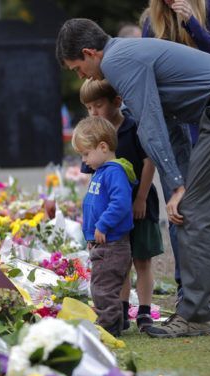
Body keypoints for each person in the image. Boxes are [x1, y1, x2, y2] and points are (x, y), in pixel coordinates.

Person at [56, 19, 210, 338]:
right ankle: (209, 313)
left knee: (194, 210)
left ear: (89, 53)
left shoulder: (116, 60)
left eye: (77, 68)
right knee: (202, 212)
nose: (81, 76)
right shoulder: (128, 52)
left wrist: (180, 186)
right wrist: (180, 180)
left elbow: (149, 125)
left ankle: (198, 315)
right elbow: (173, 127)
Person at [141, 0, 210, 305]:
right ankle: (187, 289)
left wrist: (193, 23)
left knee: (205, 212)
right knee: (177, 211)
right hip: (173, 128)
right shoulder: (151, 22)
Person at [79, 79, 163, 332]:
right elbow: (93, 178)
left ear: (116, 102)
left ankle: (145, 312)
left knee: (142, 259)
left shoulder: (132, 128)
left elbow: (150, 162)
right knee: (120, 263)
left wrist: (140, 198)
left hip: (140, 203)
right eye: (88, 107)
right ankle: (122, 310)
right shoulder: (94, 138)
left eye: (98, 105)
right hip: (113, 215)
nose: (93, 112)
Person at [73, 116, 135, 335]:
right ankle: (113, 324)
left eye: (86, 154)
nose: (84, 159)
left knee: (103, 288)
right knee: (101, 286)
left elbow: (121, 203)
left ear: (103, 147)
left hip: (113, 243)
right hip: (102, 243)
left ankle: (108, 327)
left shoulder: (114, 171)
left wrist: (103, 225)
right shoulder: (101, 171)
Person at [141, 0, 210, 62]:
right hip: (168, 86)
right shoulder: (154, 17)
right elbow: (144, 59)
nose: (166, 1)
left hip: (205, 84)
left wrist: (192, 23)